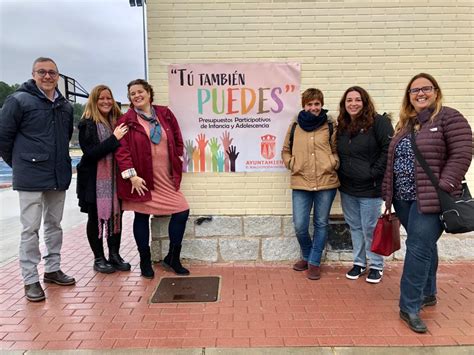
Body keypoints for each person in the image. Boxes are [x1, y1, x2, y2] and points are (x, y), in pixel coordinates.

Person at [382, 73, 472, 333]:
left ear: (435, 91)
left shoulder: (449, 117)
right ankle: (429, 292)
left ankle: (409, 306)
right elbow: (394, 161)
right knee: (425, 246)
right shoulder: (406, 124)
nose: (420, 94)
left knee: (418, 247)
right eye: (414, 91)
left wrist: (444, 185)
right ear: (408, 97)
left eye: (425, 89)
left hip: (431, 199)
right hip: (404, 198)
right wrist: (389, 194)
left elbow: (463, 151)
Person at [0, 57, 75, 302]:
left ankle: (52, 269)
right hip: (31, 175)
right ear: (33, 74)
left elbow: (63, 139)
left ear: (58, 76)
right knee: (30, 229)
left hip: (57, 174)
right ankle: (30, 279)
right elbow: (4, 138)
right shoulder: (18, 100)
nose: (47, 76)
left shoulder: (64, 106)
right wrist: (21, 164)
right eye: (42, 72)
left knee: (54, 225)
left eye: (52, 72)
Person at [115, 79, 190, 278]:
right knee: (141, 216)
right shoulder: (126, 120)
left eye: (140, 91)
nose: (137, 95)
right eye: (132, 93)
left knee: (182, 210)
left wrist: (178, 157)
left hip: (165, 176)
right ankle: (144, 260)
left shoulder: (164, 113)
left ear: (149, 93)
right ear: (130, 98)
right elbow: (121, 151)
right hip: (142, 179)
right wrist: (132, 176)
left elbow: (177, 137)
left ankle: (172, 257)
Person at [336, 86, 394, 284]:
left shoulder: (379, 122)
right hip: (347, 188)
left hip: (370, 188)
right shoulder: (342, 125)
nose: (353, 103)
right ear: (344, 105)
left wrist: (373, 172)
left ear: (365, 101)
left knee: (369, 227)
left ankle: (376, 265)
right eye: (349, 100)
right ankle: (359, 263)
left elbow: (389, 150)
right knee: (354, 227)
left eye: (357, 100)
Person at [281, 88, 340, 280]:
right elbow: (285, 150)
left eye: (317, 104)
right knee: (300, 224)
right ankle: (306, 254)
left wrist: (333, 162)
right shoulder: (295, 126)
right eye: (310, 104)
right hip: (301, 181)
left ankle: (314, 261)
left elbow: (337, 148)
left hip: (326, 181)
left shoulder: (330, 124)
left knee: (321, 223)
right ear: (304, 106)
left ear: (321, 105)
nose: (314, 107)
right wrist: (291, 163)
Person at [76, 85, 131, 274]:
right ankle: (99, 258)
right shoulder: (87, 123)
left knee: (117, 216)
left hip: (116, 179)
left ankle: (114, 255)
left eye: (109, 98)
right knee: (95, 218)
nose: (106, 101)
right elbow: (91, 154)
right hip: (94, 181)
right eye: (101, 99)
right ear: (94, 101)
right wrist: (114, 139)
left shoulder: (117, 121)